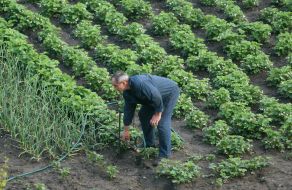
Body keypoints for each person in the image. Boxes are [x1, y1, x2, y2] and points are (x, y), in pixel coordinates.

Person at [111, 71, 180, 165]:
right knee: (143, 115)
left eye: (115, 85)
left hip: (168, 93)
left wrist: (157, 114)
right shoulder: (127, 92)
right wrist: (126, 130)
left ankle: (164, 155)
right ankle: (150, 144)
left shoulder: (140, 84)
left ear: (123, 83)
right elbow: (128, 110)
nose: (114, 87)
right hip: (153, 98)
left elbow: (156, 96)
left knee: (162, 123)